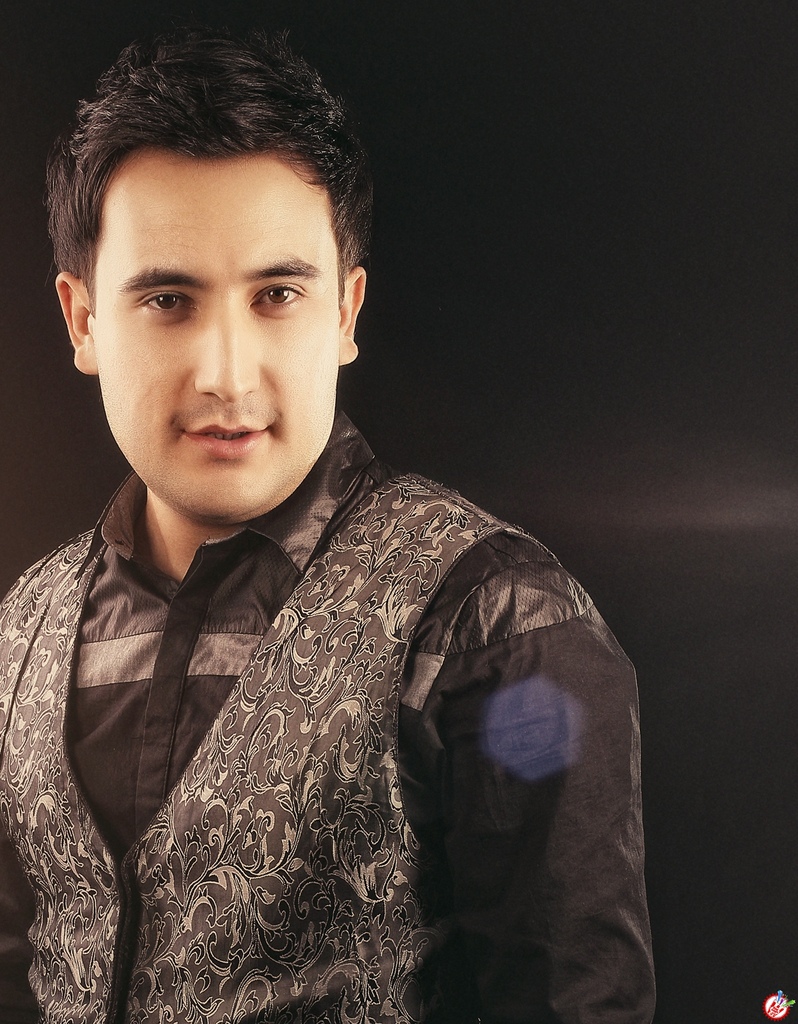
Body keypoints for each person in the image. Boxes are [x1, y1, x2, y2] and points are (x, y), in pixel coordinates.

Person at [0, 28, 655, 1024]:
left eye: (277, 295)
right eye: (169, 299)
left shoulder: (494, 622)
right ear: (82, 320)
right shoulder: (21, 633)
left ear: (345, 312)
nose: (226, 373)